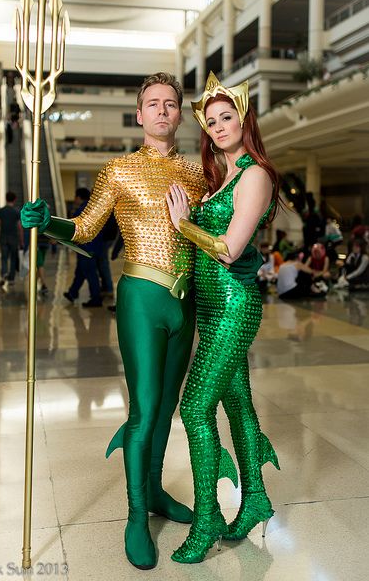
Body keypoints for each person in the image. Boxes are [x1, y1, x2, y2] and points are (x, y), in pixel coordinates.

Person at [20, 72, 206, 570]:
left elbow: (213, 238)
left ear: (181, 113)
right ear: (140, 115)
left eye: (171, 103)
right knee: (144, 410)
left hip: (185, 302)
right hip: (142, 295)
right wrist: (48, 222)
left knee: (167, 407)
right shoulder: (118, 171)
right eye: (153, 104)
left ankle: (155, 490)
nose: (162, 111)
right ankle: (135, 516)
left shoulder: (196, 175)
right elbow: (85, 229)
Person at [165, 71, 281, 564]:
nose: (218, 126)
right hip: (213, 309)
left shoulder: (254, 173)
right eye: (210, 121)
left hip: (234, 305)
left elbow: (231, 250)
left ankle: (209, 514)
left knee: (193, 408)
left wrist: (182, 223)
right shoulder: (225, 177)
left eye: (226, 117)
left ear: (244, 117)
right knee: (236, 404)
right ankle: (254, 497)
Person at [63, 188, 104, 307]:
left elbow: (73, 229)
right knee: (81, 271)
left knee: (90, 273)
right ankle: (72, 292)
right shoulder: (95, 209)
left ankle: (96, 298)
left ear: (79, 197)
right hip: (96, 246)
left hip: (85, 247)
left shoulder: (80, 211)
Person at [0, 191, 23, 291]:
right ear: (14, 199)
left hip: (3, 237)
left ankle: (4, 274)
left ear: (6, 199)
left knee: (4, 257)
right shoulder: (16, 212)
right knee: (13, 258)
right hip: (13, 238)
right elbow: (19, 227)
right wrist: (21, 241)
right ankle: (11, 278)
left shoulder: (1, 211)